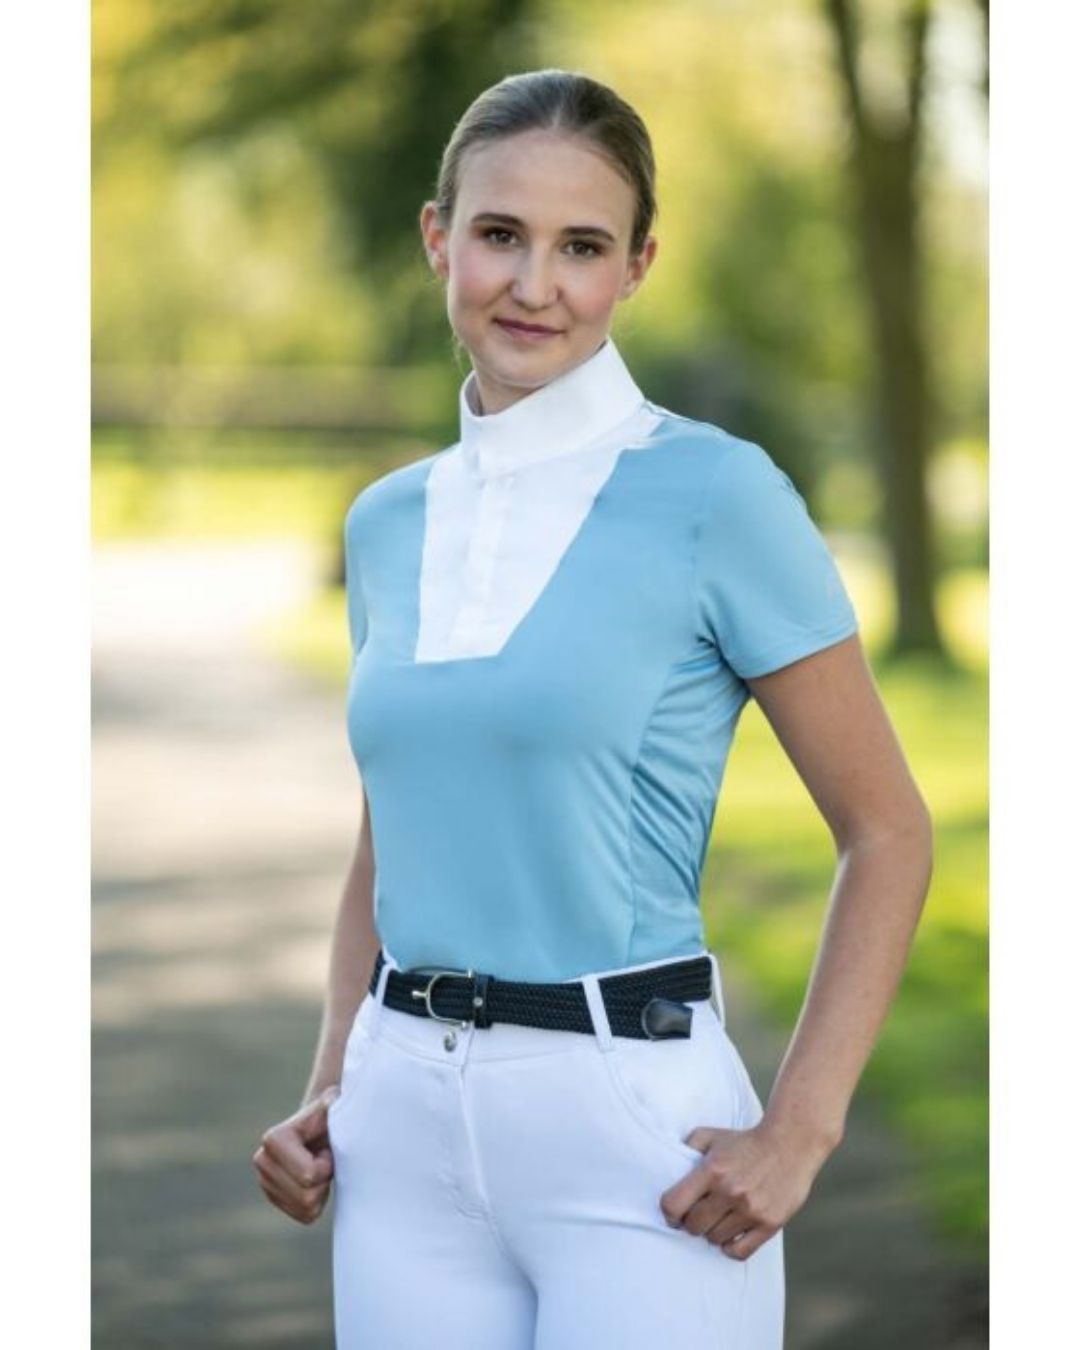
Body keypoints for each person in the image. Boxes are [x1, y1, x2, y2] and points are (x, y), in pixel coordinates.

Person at [253, 68, 933, 1349]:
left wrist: (801, 1128)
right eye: (501, 234)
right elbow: (385, 838)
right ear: (437, 236)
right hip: (399, 1138)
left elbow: (888, 829)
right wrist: (332, 1083)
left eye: (583, 247)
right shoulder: (387, 520)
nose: (534, 283)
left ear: (638, 267)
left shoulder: (718, 497)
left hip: (633, 1139)